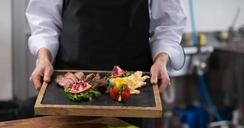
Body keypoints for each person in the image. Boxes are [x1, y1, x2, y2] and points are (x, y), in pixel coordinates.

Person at [26, 0, 186, 92]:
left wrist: (161, 60)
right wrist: (43, 58)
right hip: (70, 81)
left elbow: (168, 25)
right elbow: (44, 20)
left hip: (133, 86)